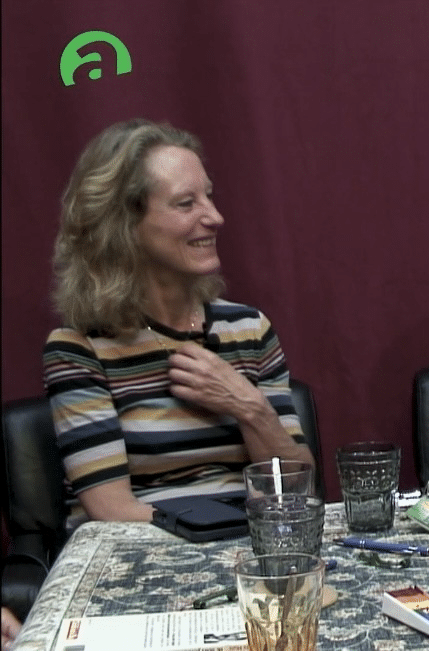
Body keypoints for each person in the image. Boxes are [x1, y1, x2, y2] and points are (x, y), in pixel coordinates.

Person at [43, 119, 313, 524]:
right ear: (124, 225)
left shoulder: (249, 329)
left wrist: (248, 406)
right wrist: (223, 533)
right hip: (145, 548)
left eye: (209, 197)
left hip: (255, 541)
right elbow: (112, 511)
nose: (215, 217)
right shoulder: (79, 348)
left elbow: (297, 489)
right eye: (186, 204)